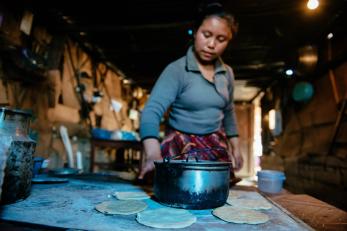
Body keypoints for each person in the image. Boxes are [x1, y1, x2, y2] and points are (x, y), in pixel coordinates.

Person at [138, 2, 243, 180]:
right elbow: (151, 111)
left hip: (215, 144)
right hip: (180, 144)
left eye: (221, 39)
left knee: (215, 194)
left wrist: (236, 147)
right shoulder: (177, 70)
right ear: (195, 32)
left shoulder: (227, 74)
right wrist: (153, 155)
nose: (211, 44)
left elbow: (229, 112)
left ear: (228, 41)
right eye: (206, 35)